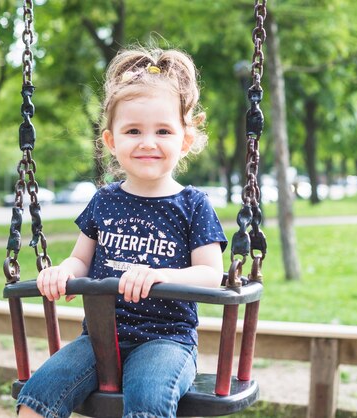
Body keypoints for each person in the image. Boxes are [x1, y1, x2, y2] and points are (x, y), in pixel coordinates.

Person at [17, 47, 227, 418]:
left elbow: (211, 274)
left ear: (185, 140)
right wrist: (63, 270)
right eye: (133, 131)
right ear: (112, 141)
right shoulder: (104, 200)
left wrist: (161, 275)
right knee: (37, 396)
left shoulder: (193, 204)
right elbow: (81, 258)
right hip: (98, 337)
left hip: (166, 341)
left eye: (163, 131)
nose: (148, 142)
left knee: (147, 400)